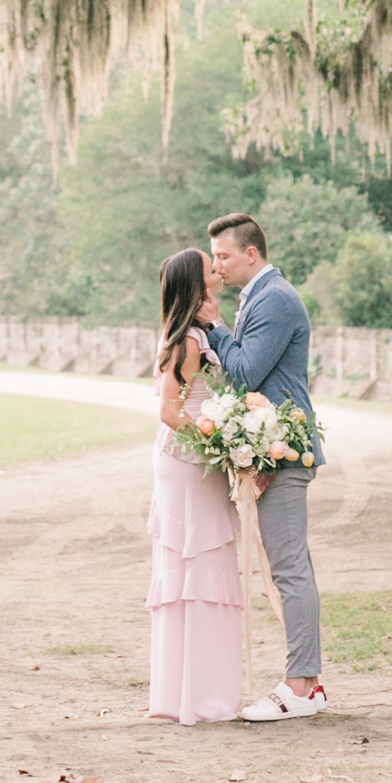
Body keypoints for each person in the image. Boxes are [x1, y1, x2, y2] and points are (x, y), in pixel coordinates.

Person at [209, 212, 327, 721]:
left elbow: (243, 371)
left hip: (283, 450)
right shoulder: (259, 296)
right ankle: (310, 684)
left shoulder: (275, 299)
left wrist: (211, 327)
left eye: (224, 256)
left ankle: (299, 686)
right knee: (290, 567)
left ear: (251, 253)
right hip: (273, 446)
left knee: (290, 570)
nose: (217, 266)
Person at [145, 247, 243, 724]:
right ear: (196, 283)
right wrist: (218, 438)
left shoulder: (200, 334)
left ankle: (195, 693)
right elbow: (169, 410)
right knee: (198, 569)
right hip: (188, 464)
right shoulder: (185, 341)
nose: (218, 269)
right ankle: (196, 699)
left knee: (203, 571)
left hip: (196, 459)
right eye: (211, 266)